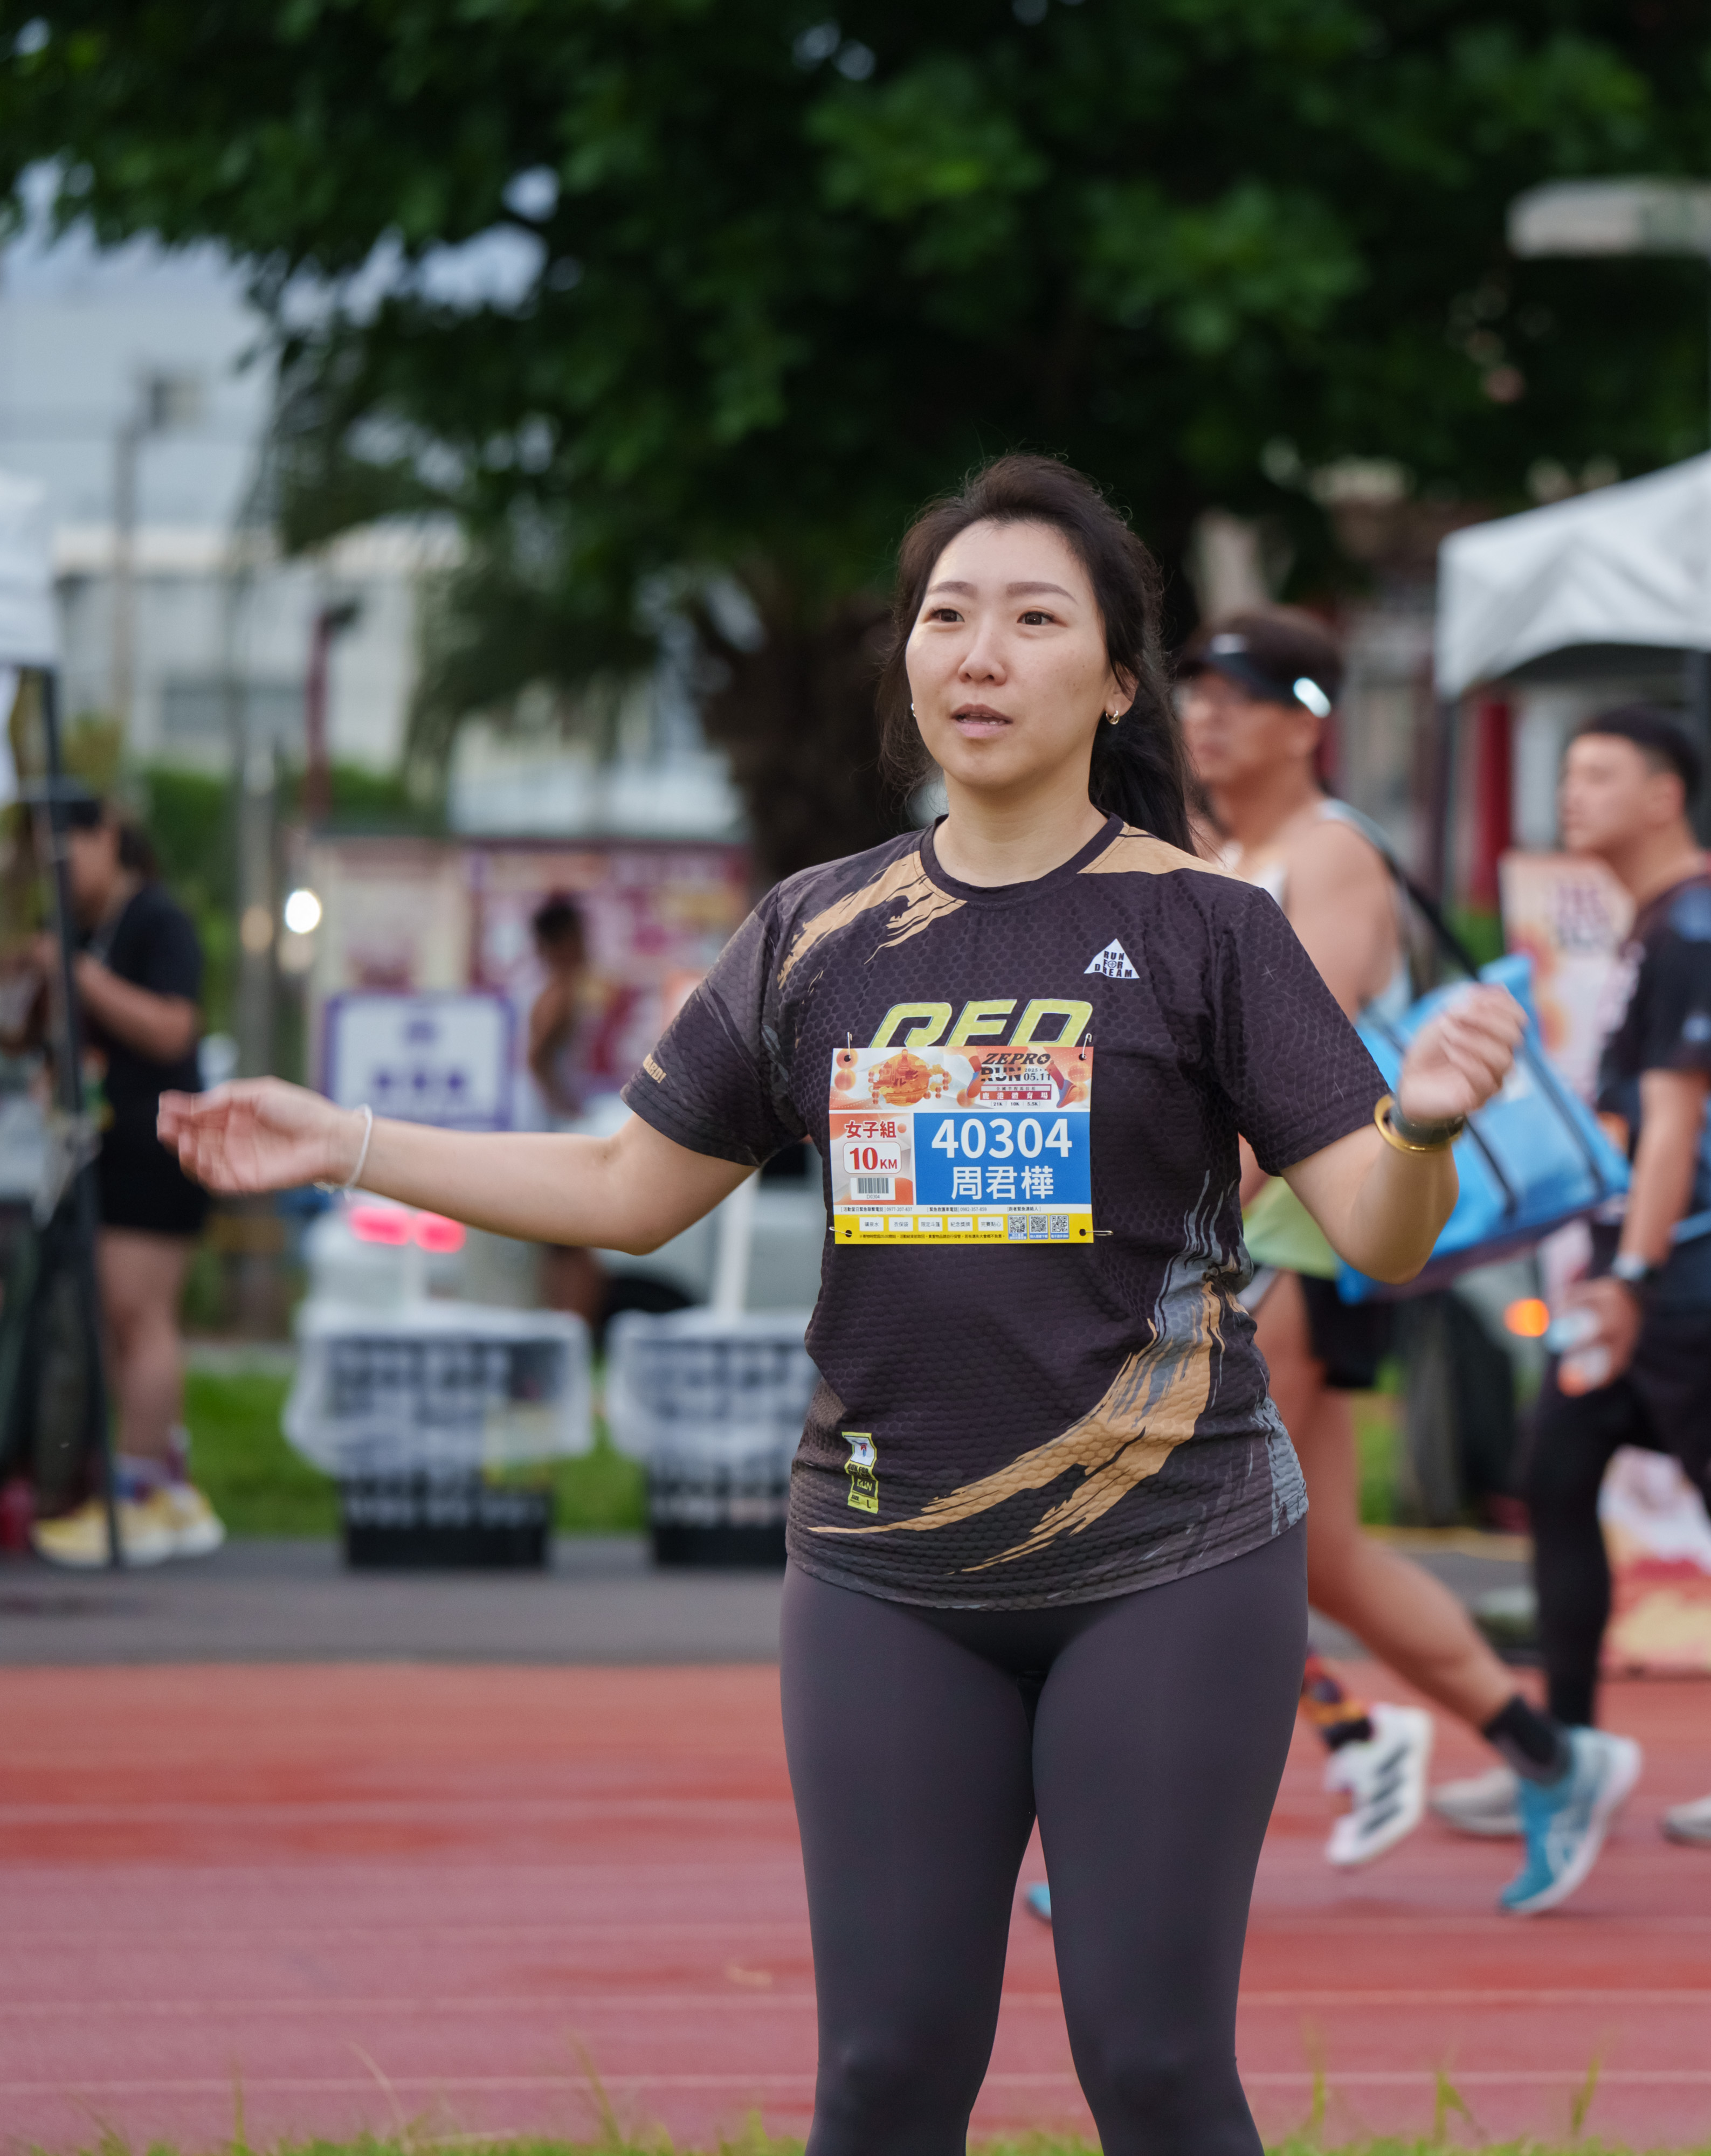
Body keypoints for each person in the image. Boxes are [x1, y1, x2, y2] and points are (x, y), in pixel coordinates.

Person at [158, 453, 1527, 2156]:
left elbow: (1378, 1233)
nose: (981, 654)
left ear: (1118, 681)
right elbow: (628, 1187)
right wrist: (345, 1141)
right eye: (947, 616)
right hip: (887, 1572)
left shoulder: (1210, 927)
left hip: (1169, 1558)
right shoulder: (817, 931)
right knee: (882, 2076)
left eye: (1035, 621)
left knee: (1156, 2069)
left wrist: (1421, 1124)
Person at [1171, 606, 1581, 1879]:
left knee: (1194, 1533)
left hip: (1296, 1235)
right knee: (1325, 1552)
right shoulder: (1221, 849)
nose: (1207, 715)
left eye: (1240, 694)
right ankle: (1546, 1755)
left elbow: (1294, 1064)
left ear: (1310, 721)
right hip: (1250, 1234)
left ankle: (1185, 1818)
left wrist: (1179, 1220)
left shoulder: (1331, 853)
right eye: (1196, 691)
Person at [1445, 706, 1711, 1909]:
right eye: (1570, 772)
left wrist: (1634, 1276)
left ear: (1667, 794)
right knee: (1555, 1472)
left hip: (1699, 1280)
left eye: (1601, 772)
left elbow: (1675, 1122)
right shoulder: (1658, 926)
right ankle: (1560, 1755)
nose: (1574, 793)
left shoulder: (1700, 926)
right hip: (1648, 1274)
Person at [29, 799, 224, 1570]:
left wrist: (79, 976)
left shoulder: (157, 920)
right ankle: (159, 1482)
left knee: (139, 1317)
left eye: (65, 851)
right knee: (120, 1323)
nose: (57, 872)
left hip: (161, 1145)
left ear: (106, 834)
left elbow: (175, 1028)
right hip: (107, 1148)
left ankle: (141, 1494)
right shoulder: (84, 930)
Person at [522, 892, 619, 1325]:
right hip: (553, 1133)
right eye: (579, 938)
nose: (586, 948)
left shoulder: (552, 990)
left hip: (549, 1130)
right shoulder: (559, 994)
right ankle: (572, 1332)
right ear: (559, 944)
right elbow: (536, 1059)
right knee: (574, 1245)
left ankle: (565, 1331)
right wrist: (568, 1110)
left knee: (565, 1246)